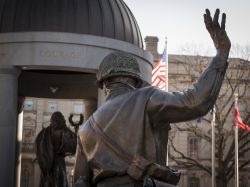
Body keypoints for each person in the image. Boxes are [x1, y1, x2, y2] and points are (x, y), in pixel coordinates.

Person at [73, 9, 231, 187]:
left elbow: (80, 182)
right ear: (136, 81)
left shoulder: (85, 129)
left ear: (104, 84)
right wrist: (221, 53)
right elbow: (196, 102)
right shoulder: (146, 97)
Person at [35, 111, 77, 187]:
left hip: (47, 164)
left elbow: (38, 146)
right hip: (58, 164)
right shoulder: (64, 131)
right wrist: (75, 130)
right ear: (61, 119)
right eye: (63, 118)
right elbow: (74, 145)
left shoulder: (44, 132)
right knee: (59, 183)